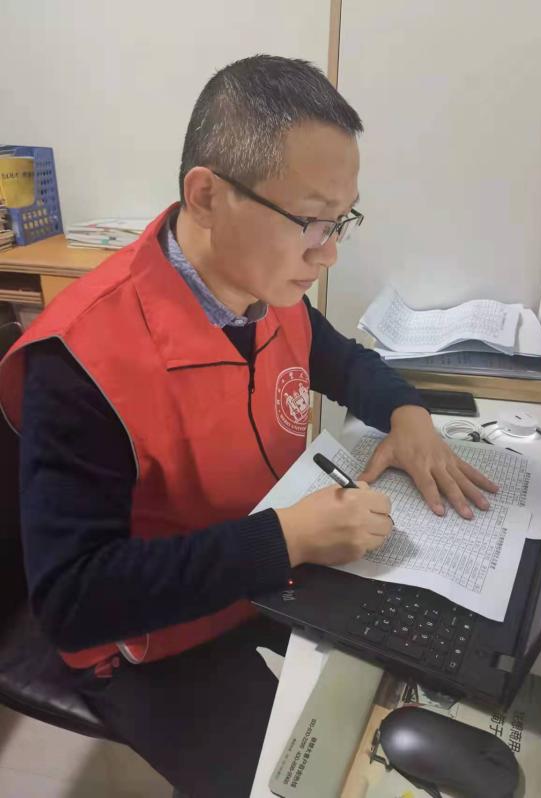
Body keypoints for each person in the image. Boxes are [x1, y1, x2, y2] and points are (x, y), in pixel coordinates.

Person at [0, 55, 496, 797]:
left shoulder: (266, 291)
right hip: (152, 637)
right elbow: (74, 600)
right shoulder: (81, 361)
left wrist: (408, 413)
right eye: (310, 220)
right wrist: (288, 538)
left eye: (341, 221)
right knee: (312, 781)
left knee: (443, 671)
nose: (328, 251)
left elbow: (345, 363)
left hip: (267, 572)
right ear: (206, 195)